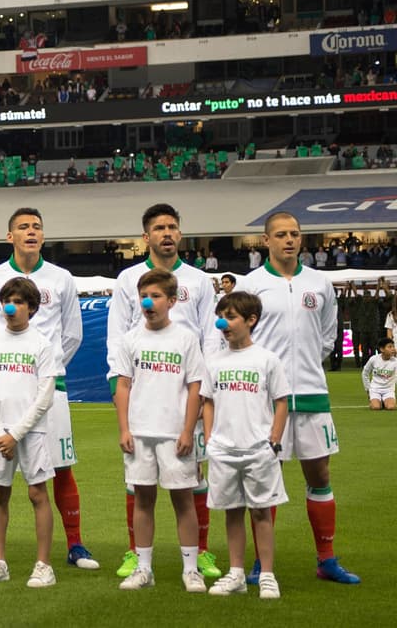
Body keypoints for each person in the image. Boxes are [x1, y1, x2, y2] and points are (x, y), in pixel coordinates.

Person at [0, 208, 97, 572]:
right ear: (9, 236)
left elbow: (72, 334)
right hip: (5, 389)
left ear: (43, 236)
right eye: (23, 227)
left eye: (37, 227)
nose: (31, 232)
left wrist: (47, 370)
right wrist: (4, 374)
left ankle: (75, 545)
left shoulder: (61, 278)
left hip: (48, 389)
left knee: (61, 466)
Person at [105, 204, 221, 580]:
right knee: (137, 483)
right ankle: (135, 554)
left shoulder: (200, 281)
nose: (166, 233)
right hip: (142, 394)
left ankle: (199, 554)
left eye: (172, 227)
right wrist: (117, 387)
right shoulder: (127, 280)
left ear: (180, 234)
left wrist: (206, 396)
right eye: (159, 228)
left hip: (185, 396)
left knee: (192, 478)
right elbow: (117, 336)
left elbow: (211, 339)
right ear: (146, 237)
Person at [243, 211, 359, 584]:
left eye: (294, 234)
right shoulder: (251, 284)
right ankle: (263, 562)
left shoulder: (320, 284)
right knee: (265, 478)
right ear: (266, 241)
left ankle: (326, 559)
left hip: (311, 394)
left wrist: (306, 364)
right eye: (281, 234)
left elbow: (327, 336)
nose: (289, 240)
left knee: (320, 474)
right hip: (264, 398)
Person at [113, 270, 206, 592]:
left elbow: (196, 387)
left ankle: (191, 569)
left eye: (155, 296)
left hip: (174, 434)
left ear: (172, 300)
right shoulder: (131, 339)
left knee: (184, 501)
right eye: (143, 296)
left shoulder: (185, 339)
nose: (148, 302)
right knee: (143, 500)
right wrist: (124, 428)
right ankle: (143, 568)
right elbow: (123, 384)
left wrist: (187, 431)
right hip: (140, 433)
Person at [0, 277, 60, 588]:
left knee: (38, 494)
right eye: (7, 300)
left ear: (32, 308)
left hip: (30, 433)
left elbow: (44, 397)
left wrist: (16, 434)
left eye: (19, 302)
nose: (11, 307)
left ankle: (44, 565)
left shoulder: (42, 345)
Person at [203, 291, 289, 600]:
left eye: (230, 317)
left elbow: (281, 401)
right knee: (231, 512)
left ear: (251, 320)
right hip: (223, 450)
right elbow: (208, 401)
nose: (222, 323)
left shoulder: (267, 359)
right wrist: (211, 438)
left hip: (258, 449)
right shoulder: (213, 361)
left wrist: (274, 439)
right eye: (221, 316)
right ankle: (236, 572)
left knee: (261, 513)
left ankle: (266, 574)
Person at [361, 340, 397, 410]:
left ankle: (384, 401)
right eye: (389, 347)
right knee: (376, 407)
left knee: (391, 407)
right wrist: (368, 389)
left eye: (393, 347)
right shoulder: (374, 359)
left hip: (388, 390)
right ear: (382, 349)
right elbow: (365, 373)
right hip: (375, 389)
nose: (393, 349)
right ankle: (376, 401)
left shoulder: (395, 361)